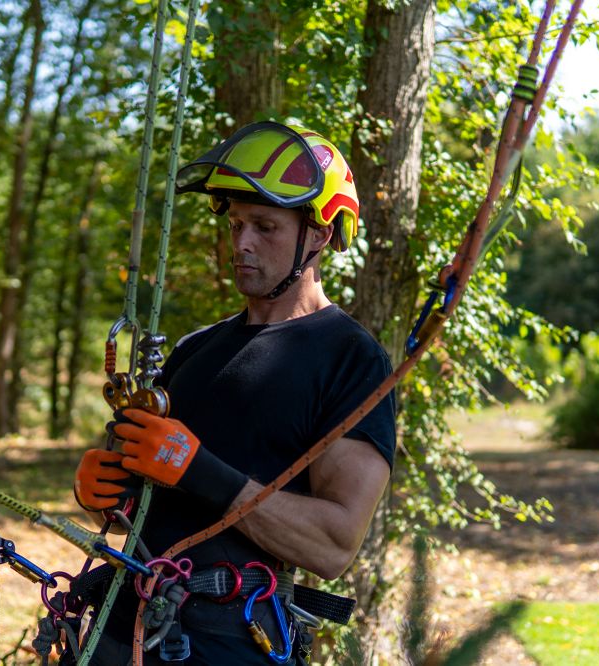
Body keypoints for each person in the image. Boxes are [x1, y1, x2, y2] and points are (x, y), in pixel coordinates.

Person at [73, 121, 396, 665]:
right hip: (123, 621)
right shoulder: (196, 348)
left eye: (266, 226)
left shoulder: (351, 359)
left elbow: (334, 543)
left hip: (232, 638)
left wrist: (199, 470)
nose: (242, 242)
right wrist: (100, 487)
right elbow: (148, 488)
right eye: (237, 224)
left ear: (317, 235)